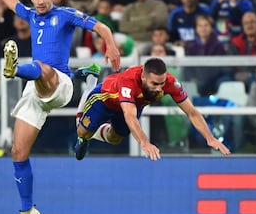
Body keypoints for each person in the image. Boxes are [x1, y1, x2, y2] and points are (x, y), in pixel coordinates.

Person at [0, 0, 120, 214]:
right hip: (36, 88)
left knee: (43, 69)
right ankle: (27, 210)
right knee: (18, 152)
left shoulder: (65, 15)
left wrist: (111, 45)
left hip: (60, 83)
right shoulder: (30, 14)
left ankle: (15, 68)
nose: (41, 1)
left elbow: (102, 26)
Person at [74, 57, 231, 161]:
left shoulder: (170, 82)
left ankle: (94, 129)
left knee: (115, 139)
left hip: (132, 106)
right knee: (82, 132)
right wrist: (144, 142)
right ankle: (91, 80)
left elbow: (192, 112)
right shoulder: (129, 81)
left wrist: (210, 138)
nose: (159, 88)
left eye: (161, 83)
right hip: (103, 99)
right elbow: (129, 115)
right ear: (143, 77)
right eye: (154, 84)